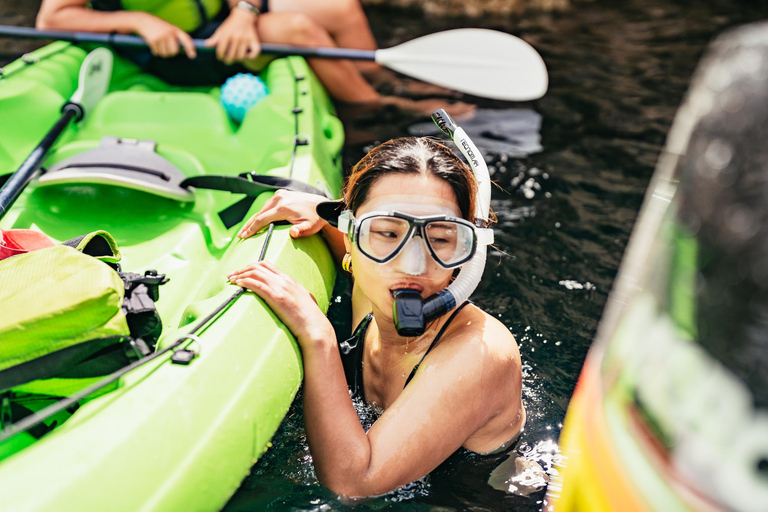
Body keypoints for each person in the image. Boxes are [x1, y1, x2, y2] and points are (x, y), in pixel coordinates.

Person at [228, 135, 525, 497]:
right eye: (386, 232)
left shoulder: (481, 355)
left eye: (441, 238)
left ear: (467, 252)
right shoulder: (373, 290)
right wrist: (318, 209)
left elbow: (353, 484)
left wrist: (318, 337)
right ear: (351, 238)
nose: (412, 266)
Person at [36, 0, 473, 116]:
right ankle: (380, 105)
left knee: (339, 8)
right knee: (297, 29)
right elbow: (51, 18)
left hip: (221, 22)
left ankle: (381, 77)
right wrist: (139, 22)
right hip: (177, 49)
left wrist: (244, 13)